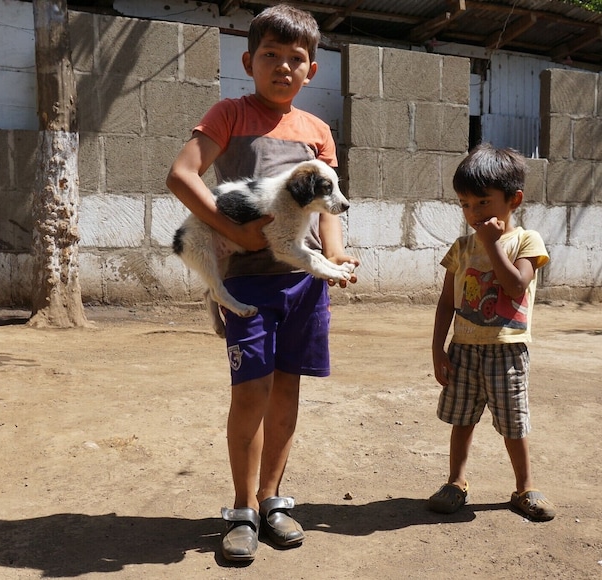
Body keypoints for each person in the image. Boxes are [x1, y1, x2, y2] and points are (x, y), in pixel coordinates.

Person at [165, 3, 359, 562]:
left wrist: (339, 256)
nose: (283, 67)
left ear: (311, 71)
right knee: (251, 391)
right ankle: (242, 509)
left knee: (288, 390)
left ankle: (274, 500)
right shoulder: (229, 113)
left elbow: (326, 208)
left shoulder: (317, 130)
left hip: (304, 284)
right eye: (270, 56)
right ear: (249, 61)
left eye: (296, 59)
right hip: (247, 282)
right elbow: (181, 175)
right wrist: (234, 233)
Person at [426, 143, 555, 522]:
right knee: (462, 419)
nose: (473, 213)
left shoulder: (527, 242)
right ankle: (456, 482)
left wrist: (493, 245)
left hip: (507, 349)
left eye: (483, 203)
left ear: (513, 200)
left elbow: (516, 286)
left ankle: (525, 487)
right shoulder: (461, 248)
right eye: (465, 204)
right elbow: (447, 301)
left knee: (513, 423)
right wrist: (437, 348)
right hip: (464, 348)